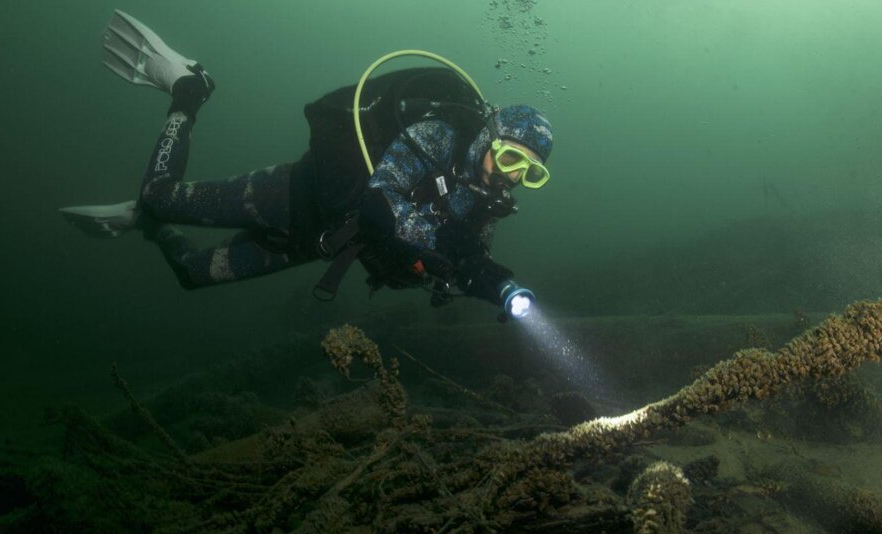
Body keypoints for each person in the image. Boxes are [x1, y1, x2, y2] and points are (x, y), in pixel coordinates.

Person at [61, 11, 553, 320]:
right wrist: (445, 243)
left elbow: (455, 265)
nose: (512, 176)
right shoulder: (439, 135)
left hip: (315, 241)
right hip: (287, 196)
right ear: (489, 139)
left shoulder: (486, 208)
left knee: (193, 273)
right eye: (511, 157)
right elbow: (382, 199)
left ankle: (148, 226)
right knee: (159, 194)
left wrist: (489, 284)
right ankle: (189, 89)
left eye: (529, 172)